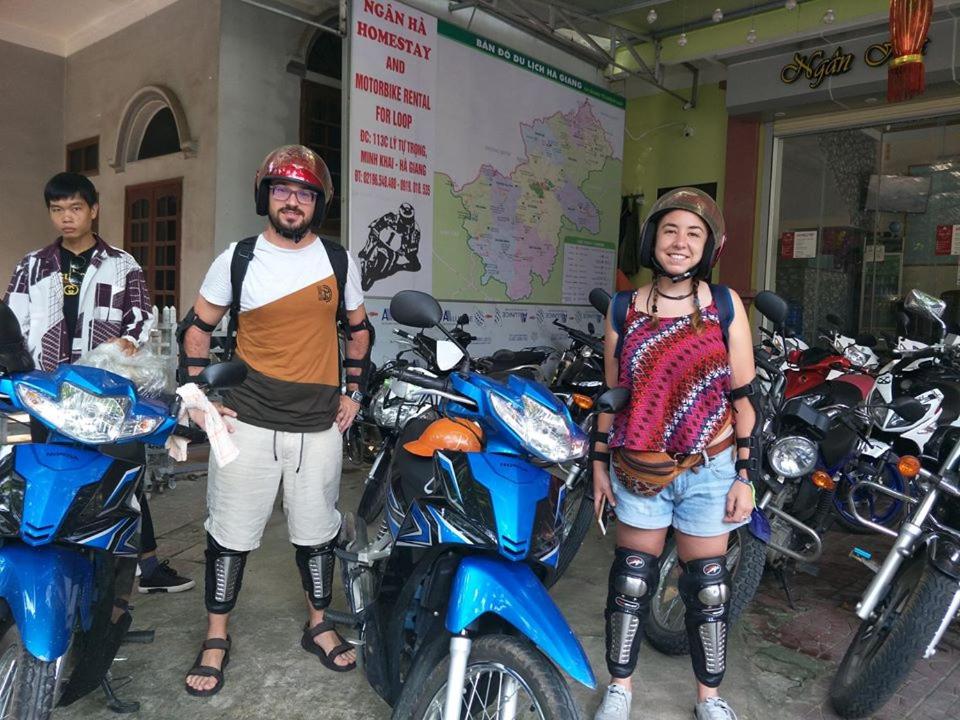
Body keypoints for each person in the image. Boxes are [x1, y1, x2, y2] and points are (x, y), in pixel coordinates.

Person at [179, 145, 372, 697]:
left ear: (318, 203)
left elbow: (359, 330)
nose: (293, 201)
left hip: (318, 426)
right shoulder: (238, 258)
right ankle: (216, 636)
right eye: (283, 190)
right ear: (265, 196)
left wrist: (354, 392)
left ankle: (319, 624)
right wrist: (199, 398)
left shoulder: (338, 260)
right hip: (248, 421)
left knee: (317, 533)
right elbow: (197, 329)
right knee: (230, 536)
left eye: (305, 193)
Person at [590, 188, 760, 720]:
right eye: (670, 231)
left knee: (708, 589)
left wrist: (745, 475)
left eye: (693, 233)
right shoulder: (623, 308)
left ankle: (710, 697)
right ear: (652, 240)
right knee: (631, 580)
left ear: (709, 246)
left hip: (710, 467)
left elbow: (744, 399)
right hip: (640, 468)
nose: (680, 242)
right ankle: (620, 688)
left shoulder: (725, 306)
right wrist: (598, 465)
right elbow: (612, 395)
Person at [4, 171, 195, 594]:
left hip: (102, 396)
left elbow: (141, 316)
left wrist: (130, 340)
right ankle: (61, 567)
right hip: (47, 393)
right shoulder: (31, 266)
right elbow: (13, 322)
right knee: (48, 473)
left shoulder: (122, 264)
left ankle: (141, 569)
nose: (66, 218)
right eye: (57, 210)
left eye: (75, 208)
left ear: (94, 210)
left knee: (119, 476)